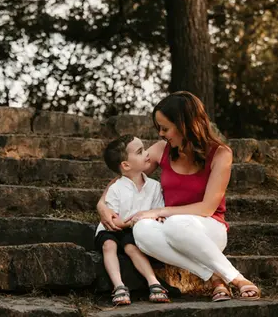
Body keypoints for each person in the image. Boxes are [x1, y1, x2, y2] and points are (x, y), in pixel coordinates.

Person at [97, 91, 261, 301]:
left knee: (174, 224)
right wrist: (102, 205)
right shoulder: (161, 150)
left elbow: (207, 208)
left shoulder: (220, 154)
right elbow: (126, 176)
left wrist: (158, 211)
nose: (161, 134)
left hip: (209, 228)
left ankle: (236, 279)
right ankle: (214, 276)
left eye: (165, 128)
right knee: (141, 230)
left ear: (185, 125)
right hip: (169, 229)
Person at [95, 134, 170, 305]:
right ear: (126, 165)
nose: (146, 153)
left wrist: (155, 220)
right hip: (112, 229)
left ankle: (153, 282)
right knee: (109, 245)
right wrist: (130, 222)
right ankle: (119, 286)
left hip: (135, 231)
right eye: (140, 151)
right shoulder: (116, 188)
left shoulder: (154, 186)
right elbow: (113, 220)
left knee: (131, 247)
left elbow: (158, 212)